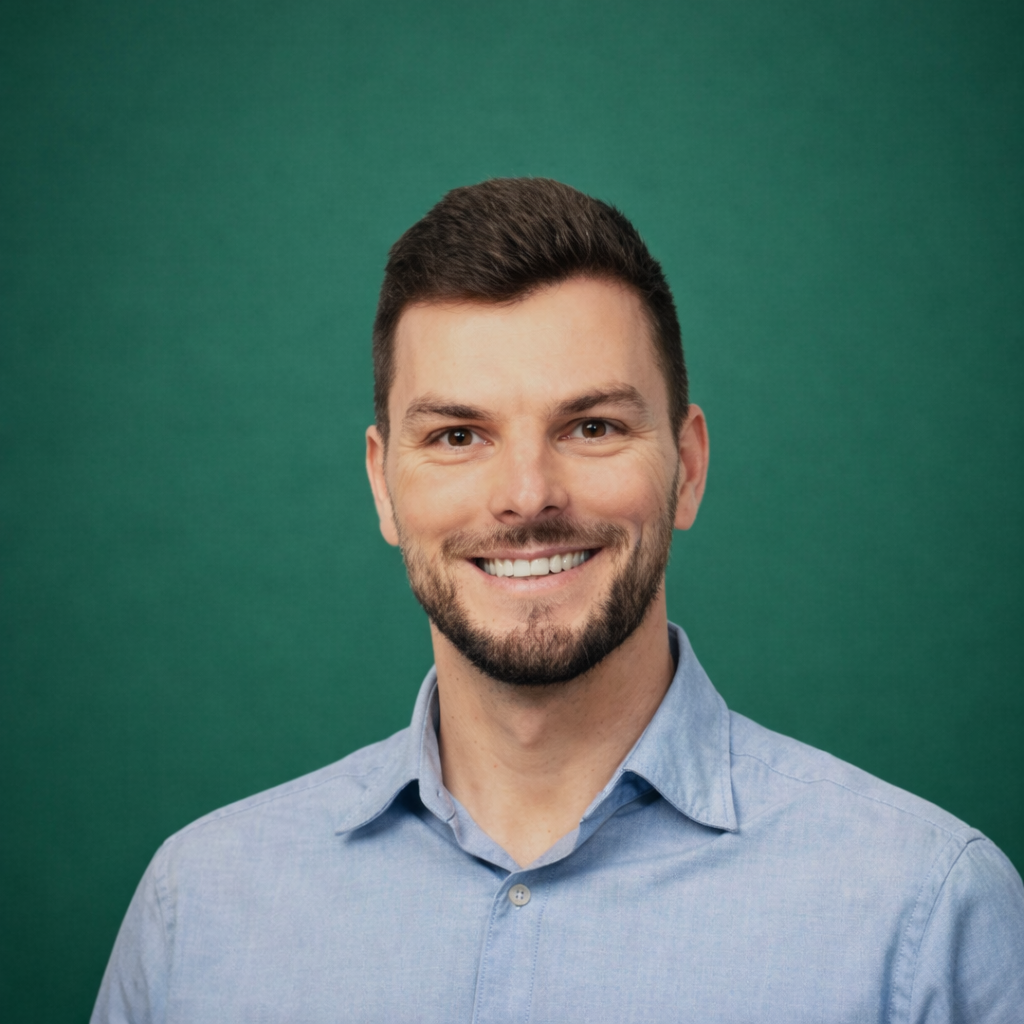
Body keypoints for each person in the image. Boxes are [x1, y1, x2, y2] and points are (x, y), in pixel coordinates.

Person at [92, 178, 1023, 1024]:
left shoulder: (927, 911)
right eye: (458, 435)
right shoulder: (198, 913)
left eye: (592, 426)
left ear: (687, 468)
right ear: (383, 487)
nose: (528, 495)